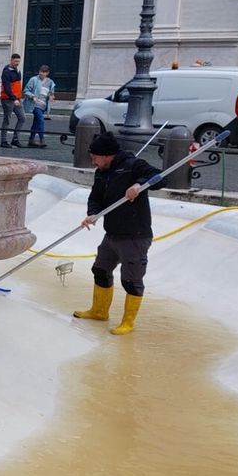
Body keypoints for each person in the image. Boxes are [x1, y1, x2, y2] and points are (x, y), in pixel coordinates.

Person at [72, 134, 167, 335]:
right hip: (112, 233)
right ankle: (99, 311)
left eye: (95, 157)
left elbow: (160, 177)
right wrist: (93, 213)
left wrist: (138, 185)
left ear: (108, 156)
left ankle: (128, 322)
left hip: (134, 235)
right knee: (100, 269)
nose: (93, 161)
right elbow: (95, 197)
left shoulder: (133, 165)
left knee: (131, 280)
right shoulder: (101, 173)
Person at [24, 65, 55, 148]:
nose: (42, 73)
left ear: (47, 73)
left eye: (44, 72)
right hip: (35, 104)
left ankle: (31, 140)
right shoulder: (33, 79)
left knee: (36, 122)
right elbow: (26, 90)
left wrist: (51, 96)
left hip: (43, 105)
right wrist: (33, 96)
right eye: (41, 71)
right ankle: (42, 140)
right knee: (41, 120)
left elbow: (51, 93)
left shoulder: (50, 82)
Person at [0, 53, 24, 147]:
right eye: (15, 61)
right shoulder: (6, 72)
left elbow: (17, 85)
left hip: (16, 98)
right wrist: (14, 99)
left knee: (22, 118)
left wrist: (18, 98)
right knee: (7, 120)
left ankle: (15, 139)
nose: (17, 63)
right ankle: (3, 141)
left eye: (18, 61)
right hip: (8, 99)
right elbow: (7, 87)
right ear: (11, 60)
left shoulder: (17, 70)